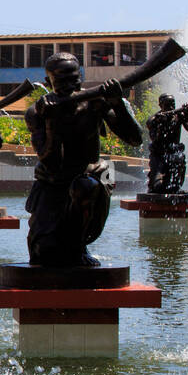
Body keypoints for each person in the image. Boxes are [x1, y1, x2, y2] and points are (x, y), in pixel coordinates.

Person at [24, 52, 142, 267]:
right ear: (48, 82)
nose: (69, 86)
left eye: (73, 79)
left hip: (88, 179)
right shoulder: (37, 112)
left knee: (85, 186)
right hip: (53, 181)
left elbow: (134, 139)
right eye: (61, 81)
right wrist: (52, 123)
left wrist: (117, 103)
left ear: (81, 77)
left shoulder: (95, 103)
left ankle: (78, 247)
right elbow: (49, 161)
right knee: (42, 253)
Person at [146, 94, 188, 194]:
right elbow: (154, 138)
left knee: (179, 159)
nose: (171, 107)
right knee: (157, 188)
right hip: (159, 156)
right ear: (160, 105)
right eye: (167, 105)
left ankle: (176, 187)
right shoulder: (154, 120)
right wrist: (161, 126)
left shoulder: (179, 116)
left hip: (175, 155)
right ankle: (155, 183)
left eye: (173, 104)